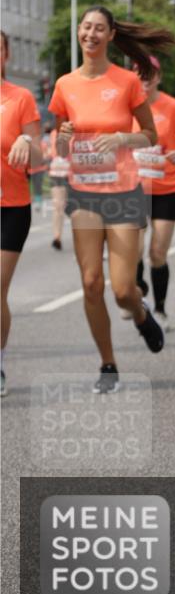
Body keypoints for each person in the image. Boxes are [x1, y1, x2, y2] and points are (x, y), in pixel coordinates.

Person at [48, 6, 172, 394]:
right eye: (86, 27)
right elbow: (60, 146)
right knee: (89, 282)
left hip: (122, 193)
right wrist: (65, 137)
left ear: (111, 35)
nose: (91, 33)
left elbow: (150, 135)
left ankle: (139, 315)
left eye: (99, 28)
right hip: (84, 193)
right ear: (79, 33)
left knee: (121, 289)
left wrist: (122, 139)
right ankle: (108, 364)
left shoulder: (126, 82)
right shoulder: (64, 85)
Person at [133, 57, 175, 330]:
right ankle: (139, 291)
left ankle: (160, 309)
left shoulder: (172, 106)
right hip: (134, 189)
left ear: (158, 77)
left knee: (157, 253)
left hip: (167, 189)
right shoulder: (127, 105)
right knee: (133, 251)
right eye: (140, 73)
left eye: (151, 74)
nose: (145, 78)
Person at [1, 31, 42, 396]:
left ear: (6, 54)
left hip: (11, 207)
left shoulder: (20, 98)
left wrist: (27, 140)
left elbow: (42, 154)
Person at [48, 125, 70, 249]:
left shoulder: (77, 132)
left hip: (71, 174)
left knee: (75, 208)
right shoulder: (53, 132)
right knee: (58, 206)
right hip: (56, 173)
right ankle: (57, 237)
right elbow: (52, 152)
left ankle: (83, 239)